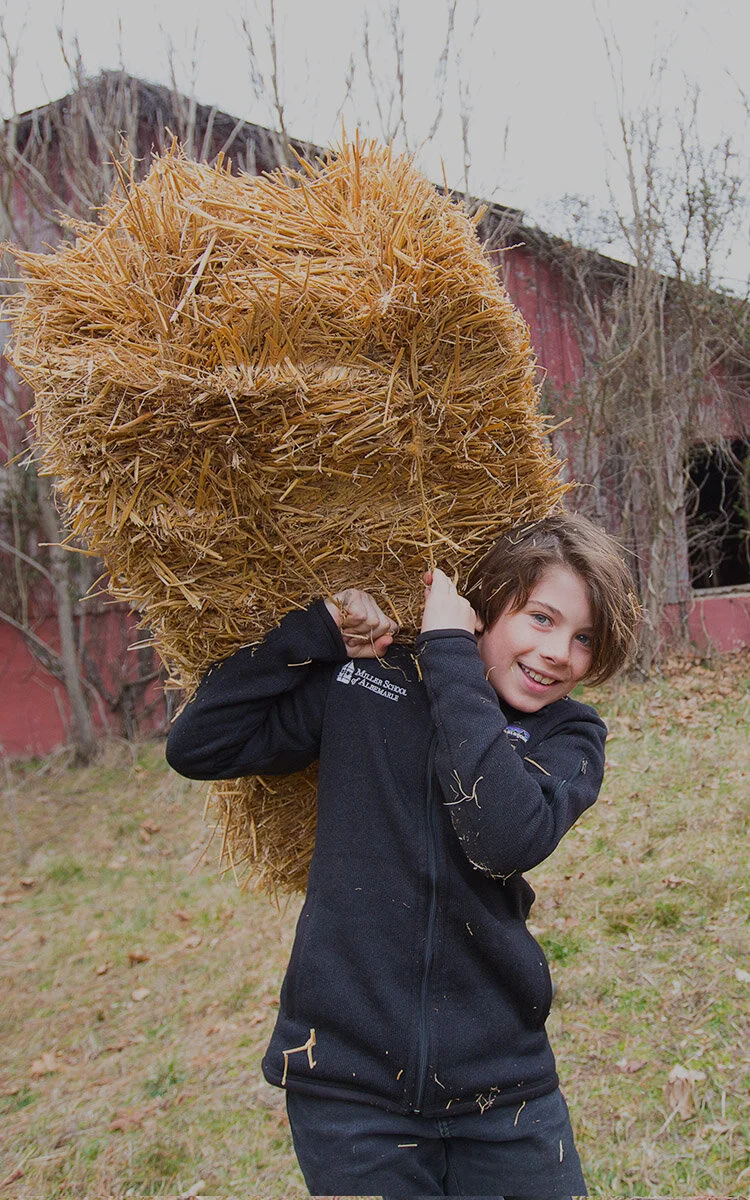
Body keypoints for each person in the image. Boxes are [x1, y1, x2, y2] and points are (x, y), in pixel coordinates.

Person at [166, 511, 640, 1199]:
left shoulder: (568, 736)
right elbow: (199, 746)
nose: (560, 652)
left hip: (503, 1089)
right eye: (541, 618)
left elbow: (502, 836)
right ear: (489, 601)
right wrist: (320, 631)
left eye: (584, 638)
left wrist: (451, 653)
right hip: (347, 1090)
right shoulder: (368, 685)